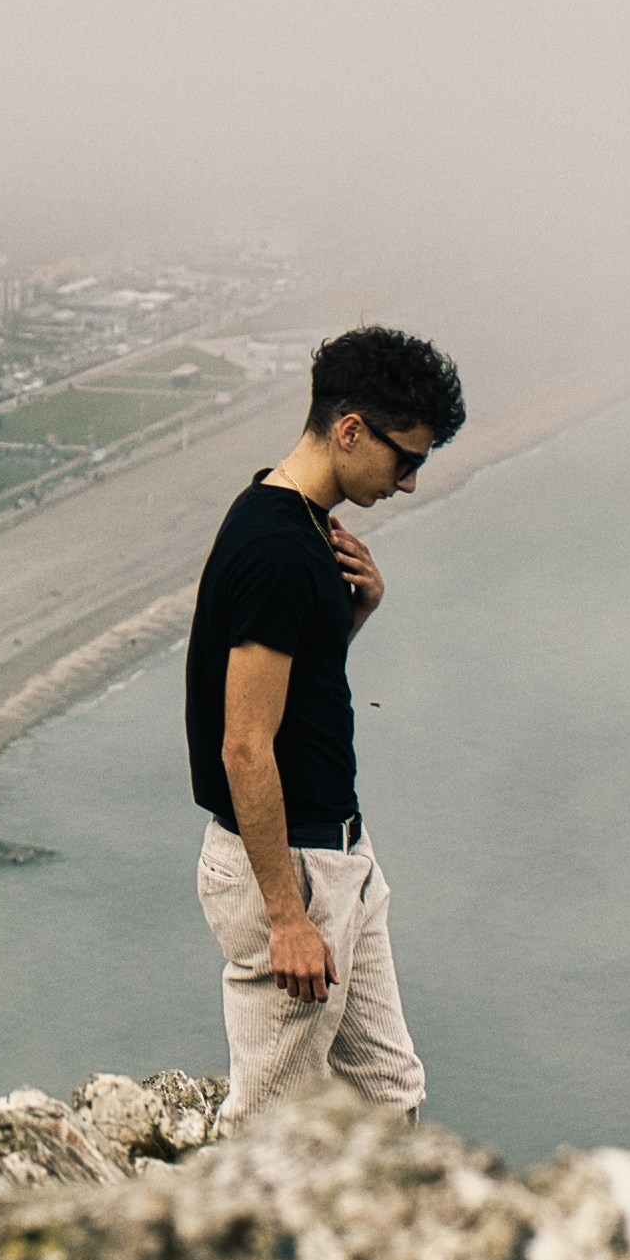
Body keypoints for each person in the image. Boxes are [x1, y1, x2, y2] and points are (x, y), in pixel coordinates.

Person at [185, 322, 465, 1128]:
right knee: (273, 1118)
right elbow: (244, 742)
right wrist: (286, 917)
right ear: (350, 429)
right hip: (287, 865)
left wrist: (356, 613)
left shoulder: (300, 529)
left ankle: (386, 1252)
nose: (408, 481)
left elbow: (288, 689)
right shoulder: (276, 547)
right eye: (404, 457)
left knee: (389, 1092)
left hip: (338, 851)